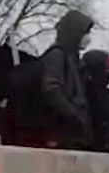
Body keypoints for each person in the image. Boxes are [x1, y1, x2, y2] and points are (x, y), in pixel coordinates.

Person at [40, 9, 95, 149]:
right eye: (85, 33)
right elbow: (51, 90)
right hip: (61, 133)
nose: (88, 38)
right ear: (75, 33)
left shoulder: (74, 59)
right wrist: (73, 115)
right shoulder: (57, 55)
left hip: (73, 133)